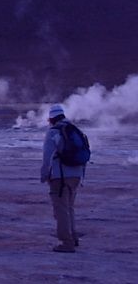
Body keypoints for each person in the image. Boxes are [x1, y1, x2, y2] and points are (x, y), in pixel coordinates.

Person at [40, 104, 86, 253]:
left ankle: (66, 243)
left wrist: (44, 176)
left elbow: (47, 157)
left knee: (61, 209)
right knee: (69, 207)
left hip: (60, 177)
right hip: (76, 174)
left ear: (52, 118)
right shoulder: (75, 130)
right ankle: (73, 237)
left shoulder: (53, 132)